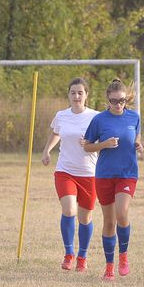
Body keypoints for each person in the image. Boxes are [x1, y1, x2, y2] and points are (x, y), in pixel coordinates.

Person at [82, 79, 143, 281]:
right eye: (114, 101)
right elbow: (87, 146)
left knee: (122, 212)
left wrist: (138, 146)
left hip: (127, 173)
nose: (119, 104)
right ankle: (109, 267)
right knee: (109, 222)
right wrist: (104, 144)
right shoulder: (99, 120)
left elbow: (137, 138)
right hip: (104, 174)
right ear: (107, 100)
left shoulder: (134, 117)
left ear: (126, 100)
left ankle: (123, 256)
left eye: (122, 101)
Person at [41, 77, 100, 272]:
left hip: (89, 173)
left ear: (86, 95)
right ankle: (68, 254)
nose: (76, 96)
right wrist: (47, 150)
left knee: (85, 218)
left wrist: (91, 144)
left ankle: (82, 256)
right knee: (69, 211)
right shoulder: (61, 115)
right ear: (68, 94)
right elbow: (56, 133)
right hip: (65, 171)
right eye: (73, 92)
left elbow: (103, 141)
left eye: (80, 93)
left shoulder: (96, 117)